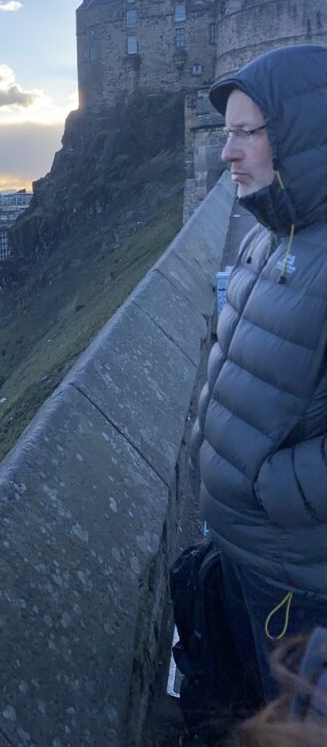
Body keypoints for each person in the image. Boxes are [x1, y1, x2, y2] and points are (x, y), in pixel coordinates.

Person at [189, 45, 327, 721]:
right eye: (226, 134)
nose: (226, 153)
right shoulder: (270, 233)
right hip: (252, 560)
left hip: (302, 586)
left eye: (246, 133)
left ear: (303, 138)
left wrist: (268, 486)